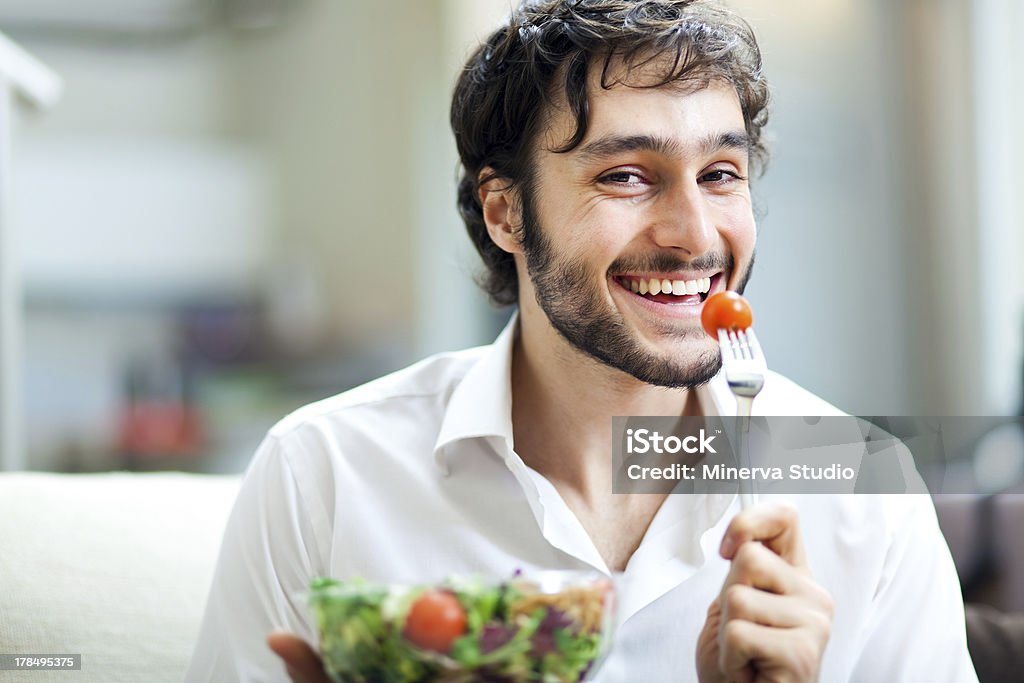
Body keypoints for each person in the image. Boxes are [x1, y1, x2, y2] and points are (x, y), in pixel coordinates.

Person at [186, 1, 979, 681]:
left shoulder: (863, 490)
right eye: (625, 176)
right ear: (505, 213)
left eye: (721, 173)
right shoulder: (324, 474)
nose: (694, 236)